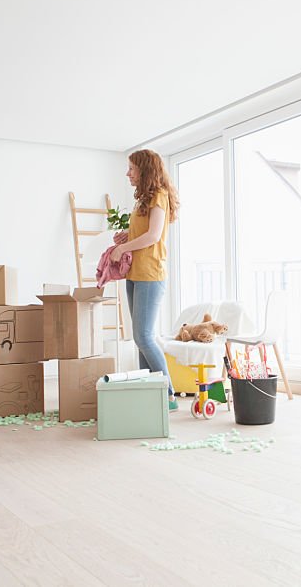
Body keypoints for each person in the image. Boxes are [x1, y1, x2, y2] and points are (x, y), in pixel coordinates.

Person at [109, 149, 180, 410]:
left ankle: (168, 395)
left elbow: (153, 236)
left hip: (150, 273)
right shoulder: (143, 199)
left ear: (145, 169)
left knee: (144, 336)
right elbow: (143, 231)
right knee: (140, 339)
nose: (127, 173)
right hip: (136, 273)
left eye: (131, 168)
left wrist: (122, 250)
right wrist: (126, 235)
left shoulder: (159, 196)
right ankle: (148, 392)